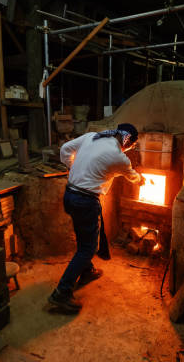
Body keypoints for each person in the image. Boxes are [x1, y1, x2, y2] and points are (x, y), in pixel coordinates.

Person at [48, 123, 143, 313]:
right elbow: (132, 177)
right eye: (131, 145)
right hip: (86, 201)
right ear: (127, 141)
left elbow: (65, 149)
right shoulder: (120, 158)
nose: (130, 148)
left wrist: (74, 168)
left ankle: (87, 270)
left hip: (70, 195)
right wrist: (141, 179)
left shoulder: (92, 136)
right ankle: (62, 292)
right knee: (88, 248)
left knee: (84, 238)